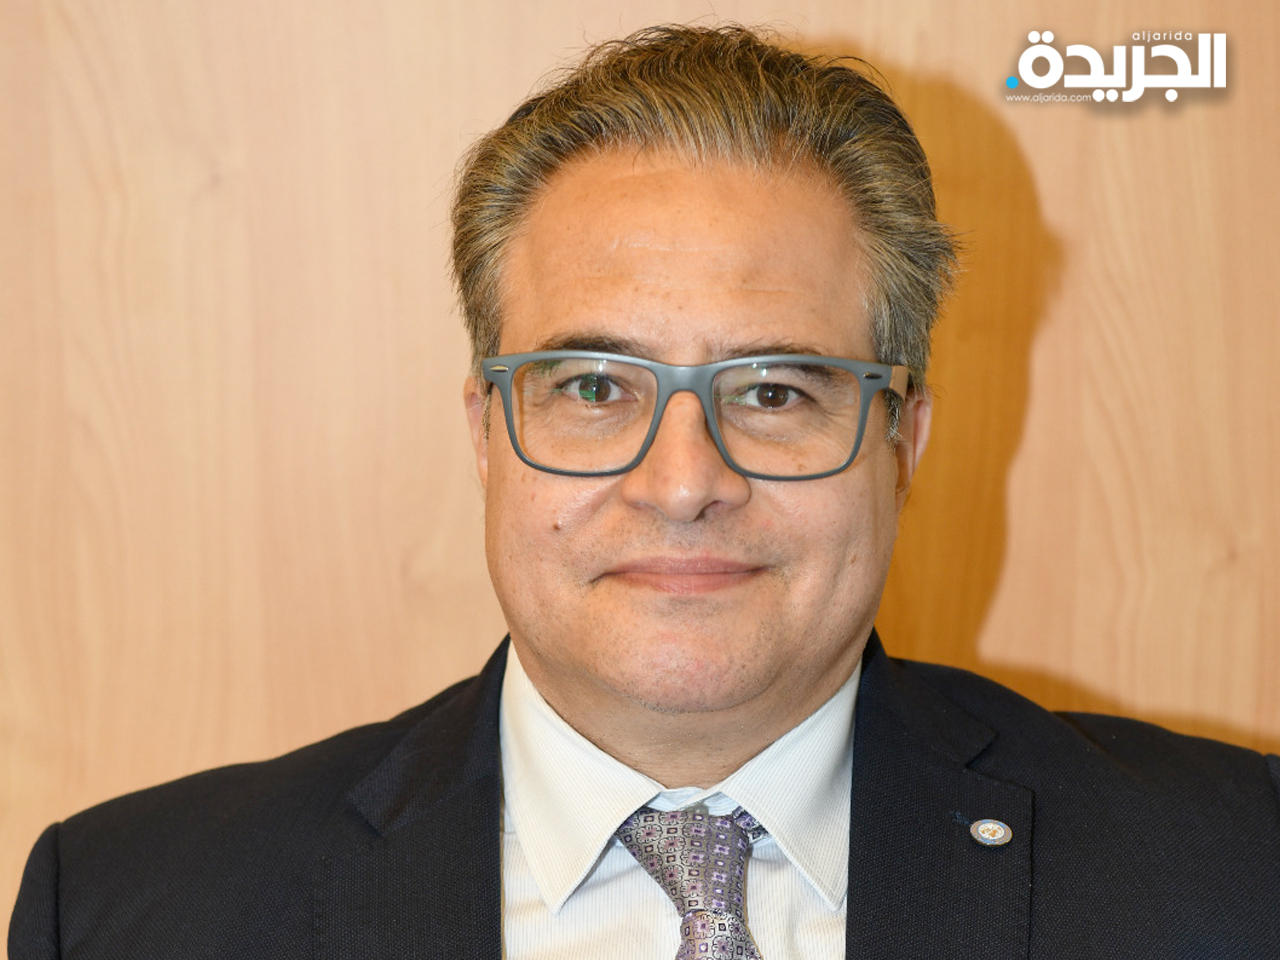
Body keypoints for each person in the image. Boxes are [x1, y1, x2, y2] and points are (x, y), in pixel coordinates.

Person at [9, 24, 1279, 960]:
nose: (683, 484)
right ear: (486, 433)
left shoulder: (1234, 875)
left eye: (773, 390)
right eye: (593, 388)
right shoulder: (133, 912)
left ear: (900, 442)